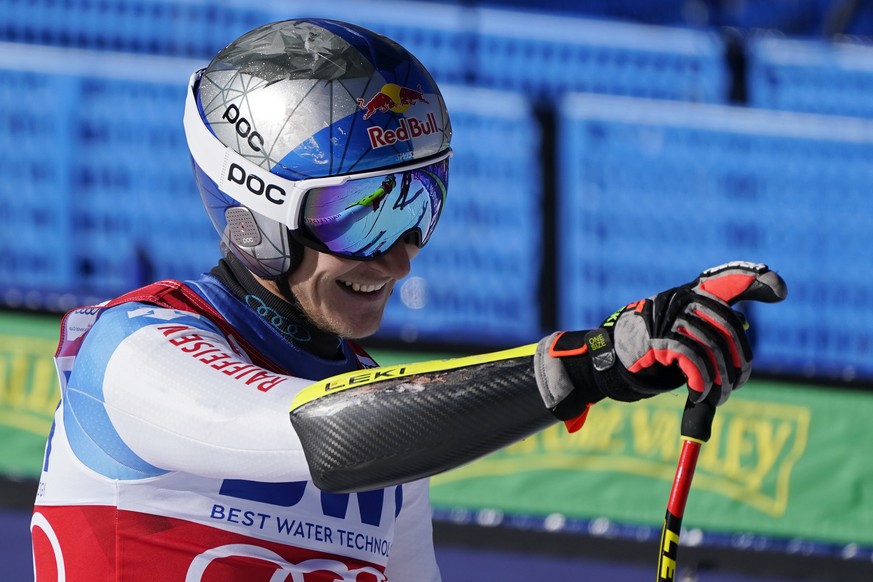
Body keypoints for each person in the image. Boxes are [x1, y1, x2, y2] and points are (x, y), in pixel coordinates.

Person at [30, 18, 786, 581]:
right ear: (256, 215)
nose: (398, 256)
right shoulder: (134, 351)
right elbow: (314, 436)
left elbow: (374, 421)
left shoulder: (394, 433)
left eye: (420, 204)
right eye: (362, 214)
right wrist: (586, 365)